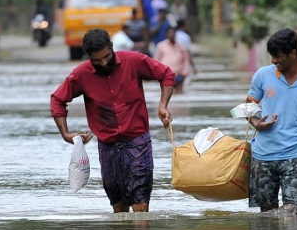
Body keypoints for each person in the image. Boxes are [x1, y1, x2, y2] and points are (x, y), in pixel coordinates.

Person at [51, 28, 176, 213]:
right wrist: (66, 134)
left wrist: (163, 105)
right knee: (118, 207)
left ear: (112, 47)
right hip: (108, 147)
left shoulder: (134, 61)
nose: (103, 63)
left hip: (137, 143)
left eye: (106, 57)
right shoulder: (81, 74)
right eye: (97, 60)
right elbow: (57, 100)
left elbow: (166, 75)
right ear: (89, 57)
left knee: (140, 204)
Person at [243, 27, 297, 214]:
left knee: (296, 213)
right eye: (271, 56)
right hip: (262, 158)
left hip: (294, 157)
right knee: (267, 218)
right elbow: (246, 107)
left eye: (277, 56)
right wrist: (256, 123)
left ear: (293, 53)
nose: (274, 61)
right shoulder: (262, 75)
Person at [153, 25, 192, 93]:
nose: (172, 34)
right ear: (166, 34)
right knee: (166, 94)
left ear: (176, 34)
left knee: (179, 93)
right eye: (170, 33)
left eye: (173, 32)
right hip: (165, 75)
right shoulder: (161, 46)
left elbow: (186, 60)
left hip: (179, 75)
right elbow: (155, 61)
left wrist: (185, 73)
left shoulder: (181, 46)